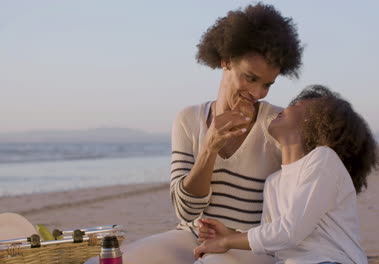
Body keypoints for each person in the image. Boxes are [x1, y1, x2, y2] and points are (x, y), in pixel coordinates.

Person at [82, 3, 303, 264]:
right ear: (226, 60)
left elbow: (295, 213)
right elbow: (185, 213)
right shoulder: (188, 119)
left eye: (267, 84)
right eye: (250, 78)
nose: (258, 93)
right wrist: (209, 147)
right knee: (100, 262)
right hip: (190, 238)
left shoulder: (278, 123)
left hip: (251, 245)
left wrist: (233, 237)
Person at [193, 85, 379, 264]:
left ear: (315, 119)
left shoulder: (323, 159)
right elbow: (273, 241)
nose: (287, 106)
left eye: (297, 105)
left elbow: (290, 231)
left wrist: (226, 242)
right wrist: (229, 234)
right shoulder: (273, 182)